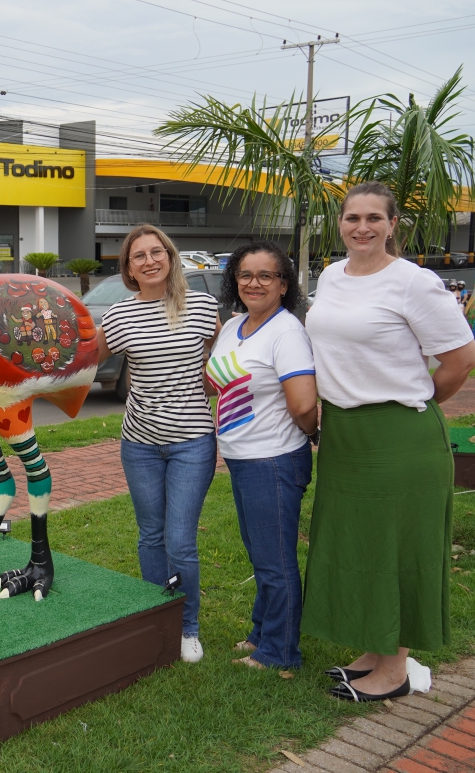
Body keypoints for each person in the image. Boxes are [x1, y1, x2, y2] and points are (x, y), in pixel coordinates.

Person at [303, 182, 475, 702]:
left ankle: (395, 669)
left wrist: (412, 401)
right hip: (344, 436)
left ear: (392, 224)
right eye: (352, 217)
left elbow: (462, 359)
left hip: (399, 437)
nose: (362, 227)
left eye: (374, 218)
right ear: (340, 223)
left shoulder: (414, 283)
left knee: (397, 546)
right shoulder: (331, 276)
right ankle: (374, 647)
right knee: (359, 543)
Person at [96, 224, 221, 664]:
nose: (149, 261)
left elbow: (224, 358)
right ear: (129, 269)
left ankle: (187, 626)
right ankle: (156, 620)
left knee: (180, 540)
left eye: (156, 252)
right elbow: (83, 360)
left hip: (192, 442)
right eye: (139, 256)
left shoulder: (202, 306)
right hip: (140, 444)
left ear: (170, 256)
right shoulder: (118, 316)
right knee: (150, 535)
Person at [207, 240, 317, 670]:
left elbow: (304, 404)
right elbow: (217, 380)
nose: (254, 283)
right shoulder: (235, 326)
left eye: (266, 275)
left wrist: (312, 433)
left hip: (273, 460)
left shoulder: (286, 332)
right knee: (260, 553)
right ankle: (261, 633)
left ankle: (280, 651)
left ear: (283, 284)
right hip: (242, 457)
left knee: (274, 560)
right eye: (245, 274)